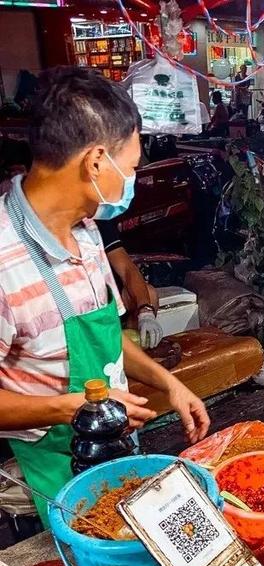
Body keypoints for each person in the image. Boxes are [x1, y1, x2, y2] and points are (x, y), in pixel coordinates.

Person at [0, 67, 210, 524]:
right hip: (57, 469)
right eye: (132, 167)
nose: (133, 180)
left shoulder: (89, 229)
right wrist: (69, 408)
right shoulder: (3, 260)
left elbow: (106, 337)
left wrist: (168, 384)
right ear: (96, 162)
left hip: (118, 447)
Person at [96, 219, 163, 348]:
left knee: (149, 294)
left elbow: (127, 268)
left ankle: (138, 349)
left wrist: (146, 312)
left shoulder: (97, 222)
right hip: (84, 308)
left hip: (112, 299)